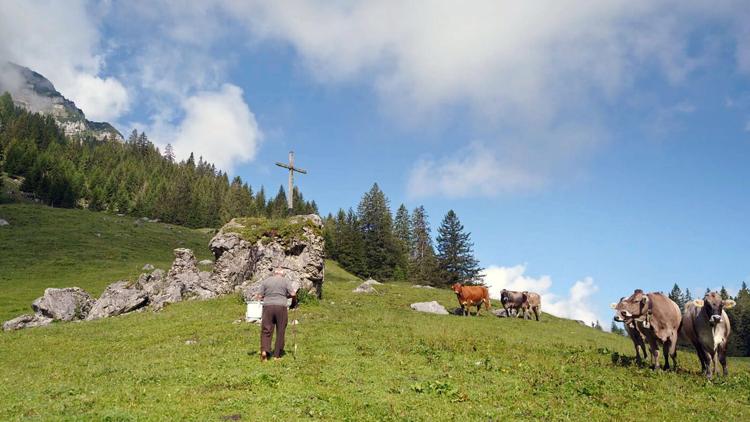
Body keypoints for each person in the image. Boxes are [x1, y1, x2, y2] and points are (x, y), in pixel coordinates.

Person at [255, 268, 298, 361]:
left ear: (274, 274)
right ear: (282, 274)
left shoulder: (266, 281)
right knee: (281, 330)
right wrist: (293, 303)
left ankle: (264, 352)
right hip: (281, 307)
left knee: (266, 329)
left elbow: (259, 296)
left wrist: (267, 298)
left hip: (268, 307)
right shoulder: (285, 281)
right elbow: (293, 294)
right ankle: (276, 355)